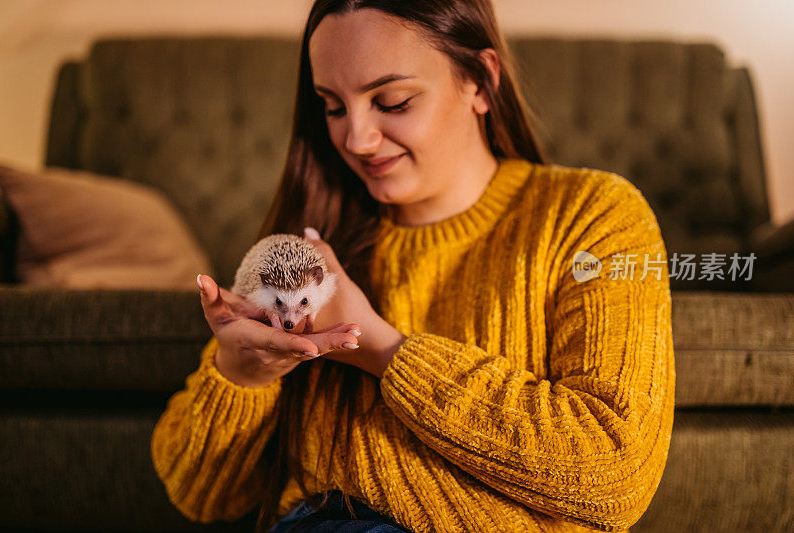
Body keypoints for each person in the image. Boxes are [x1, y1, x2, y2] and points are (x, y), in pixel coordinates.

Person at [150, 0, 676, 532]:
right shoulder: (313, 247)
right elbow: (199, 495)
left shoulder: (593, 215)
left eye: (393, 101)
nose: (356, 140)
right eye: (332, 107)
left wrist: (381, 349)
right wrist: (241, 375)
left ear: (479, 80)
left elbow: (617, 474)